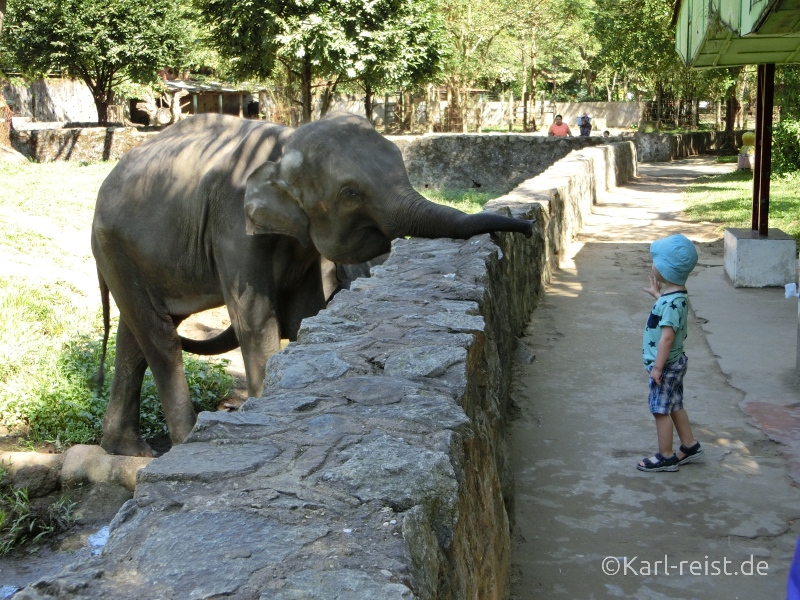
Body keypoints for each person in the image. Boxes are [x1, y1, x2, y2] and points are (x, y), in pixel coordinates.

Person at [637, 234, 704, 472]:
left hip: (665, 366)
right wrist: (658, 296)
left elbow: (667, 337)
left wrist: (657, 367)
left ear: (666, 270)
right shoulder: (677, 297)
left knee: (660, 409)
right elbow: (670, 312)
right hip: (677, 362)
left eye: (655, 262)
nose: (652, 265)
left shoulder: (670, 304)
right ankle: (689, 445)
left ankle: (666, 456)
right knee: (675, 404)